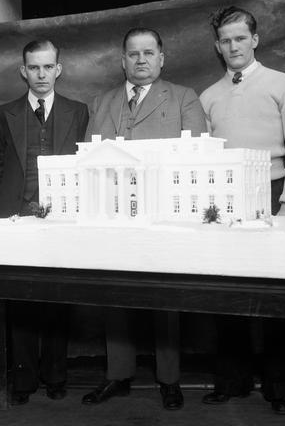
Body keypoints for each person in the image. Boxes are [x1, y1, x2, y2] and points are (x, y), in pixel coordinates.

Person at [82, 27, 207, 410]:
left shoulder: (185, 98)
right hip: (113, 215)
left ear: (161, 58)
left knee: (163, 296)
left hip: (163, 214)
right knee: (114, 294)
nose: (141, 60)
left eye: (148, 53)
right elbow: (88, 158)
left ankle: (169, 380)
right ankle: (118, 375)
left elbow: (197, 156)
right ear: (123, 60)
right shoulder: (101, 102)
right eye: (133, 54)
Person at [199, 6, 285, 415]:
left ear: (255, 40)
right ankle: (232, 381)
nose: (233, 46)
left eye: (240, 38)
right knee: (227, 296)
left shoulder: (283, 84)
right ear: (217, 47)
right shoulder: (209, 96)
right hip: (228, 203)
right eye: (226, 40)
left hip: (275, 196)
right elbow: (206, 158)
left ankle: (279, 388)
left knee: (276, 298)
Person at [0, 39, 88, 404]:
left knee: (57, 298)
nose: (41, 74)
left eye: (48, 67)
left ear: (58, 69)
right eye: (34, 67)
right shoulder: (3, 114)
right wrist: (20, 202)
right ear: (23, 70)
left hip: (63, 219)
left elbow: (82, 163)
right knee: (20, 300)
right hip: (16, 218)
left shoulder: (78, 112)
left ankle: (56, 376)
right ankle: (24, 381)